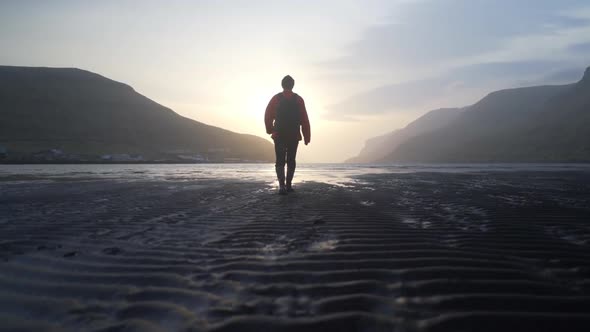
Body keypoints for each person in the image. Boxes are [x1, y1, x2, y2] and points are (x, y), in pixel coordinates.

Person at [264, 75, 311, 195]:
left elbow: (267, 115)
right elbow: (304, 119)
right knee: (291, 160)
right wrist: (306, 136)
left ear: (282, 85)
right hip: (294, 135)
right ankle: (289, 185)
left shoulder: (276, 98)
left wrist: (270, 129)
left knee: (280, 160)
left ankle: (281, 186)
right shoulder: (298, 99)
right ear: (293, 85)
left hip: (278, 134)